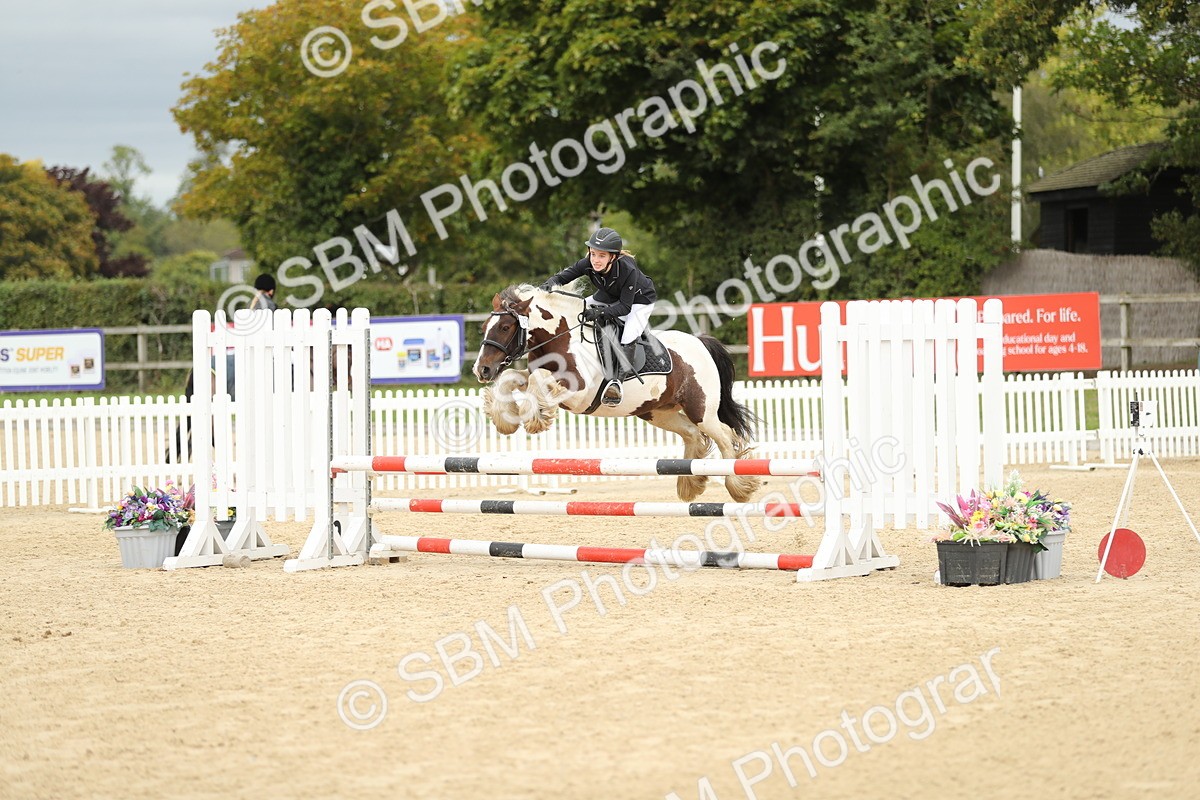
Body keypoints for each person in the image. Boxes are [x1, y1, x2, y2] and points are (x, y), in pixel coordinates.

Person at [540, 227, 657, 405]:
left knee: (629, 335)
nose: (595, 260)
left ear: (613, 257)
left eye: (602, 256)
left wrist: (600, 312)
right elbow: (565, 276)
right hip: (608, 295)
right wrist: (549, 284)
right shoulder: (587, 263)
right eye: (593, 254)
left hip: (639, 300)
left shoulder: (627, 270)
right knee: (577, 313)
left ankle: (616, 383)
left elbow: (625, 307)